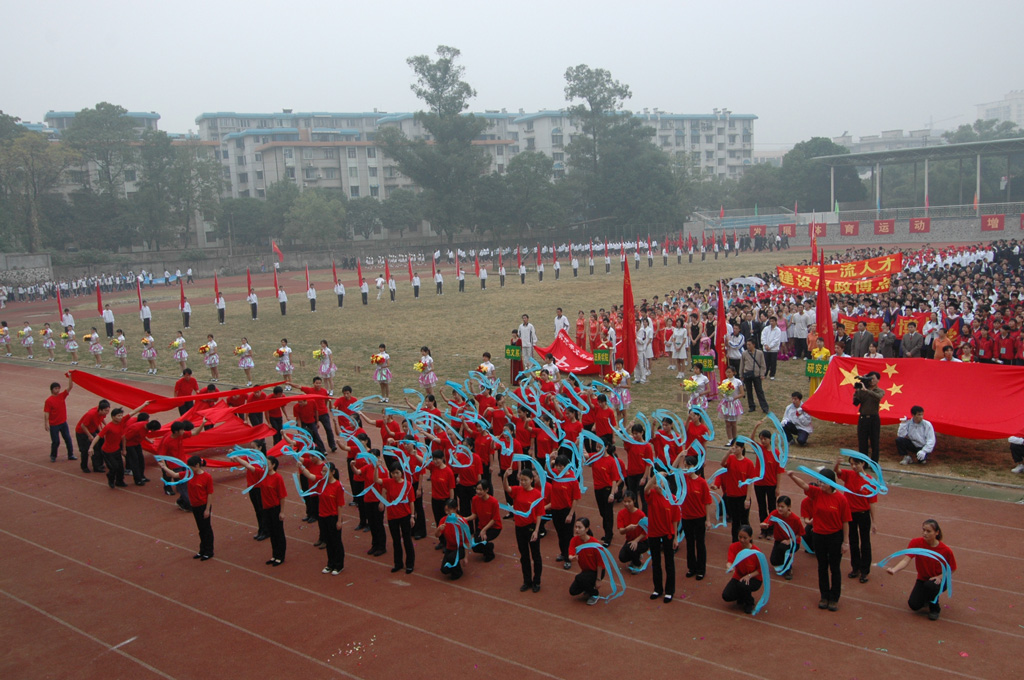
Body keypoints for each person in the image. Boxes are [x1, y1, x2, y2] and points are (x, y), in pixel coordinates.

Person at [785, 468, 851, 611]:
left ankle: (834, 598)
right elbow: (804, 485)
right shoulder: (817, 493)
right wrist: (792, 476)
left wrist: (845, 542)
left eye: (823, 482)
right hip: (819, 536)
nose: (820, 485)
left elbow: (846, 521)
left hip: (835, 537)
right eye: (819, 482)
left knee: (834, 568)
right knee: (822, 567)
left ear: (830, 483)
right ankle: (824, 596)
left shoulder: (841, 499)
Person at [885, 519, 957, 621]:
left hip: (940, 580)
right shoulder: (916, 543)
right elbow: (906, 560)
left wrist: (939, 577)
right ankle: (927, 598)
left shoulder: (945, 550)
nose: (925, 533)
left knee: (931, 585)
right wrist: (894, 570)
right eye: (923, 530)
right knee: (914, 605)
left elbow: (952, 569)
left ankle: (935, 608)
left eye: (928, 531)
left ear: (937, 533)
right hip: (923, 579)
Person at [158, 455, 215, 560]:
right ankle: (202, 550)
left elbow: (210, 494)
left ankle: (209, 550)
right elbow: (175, 475)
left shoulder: (207, 477)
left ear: (197, 465)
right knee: (200, 529)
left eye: (191, 467)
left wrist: (207, 509)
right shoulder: (189, 474)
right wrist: (164, 467)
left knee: (206, 528)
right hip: (195, 505)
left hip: (203, 505)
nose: (189, 469)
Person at [834, 455, 878, 583]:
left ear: (862, 464)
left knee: (865, 542)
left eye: (856, 464)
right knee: (853, 541)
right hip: (850, 514)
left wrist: (874, 521)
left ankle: (865, 571)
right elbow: (837, 472)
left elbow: (872, 502)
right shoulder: (849, 474)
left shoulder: (870, 481)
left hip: (863, 514)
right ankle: (855, 568)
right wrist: (837, 464)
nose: (853, 467)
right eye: (851, 464)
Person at [298, 459, 346, 574]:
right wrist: (301, 466)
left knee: (336, 541)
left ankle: (339, 565)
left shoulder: (338, 485)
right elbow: (309, 475)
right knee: (328, 541)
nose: (323, 474)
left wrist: (339, 521)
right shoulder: (321, 481)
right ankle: (330, 563)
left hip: (333, 516)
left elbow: (340, 505)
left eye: (325, 471)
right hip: (322, 516)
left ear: (332, 472)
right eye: (322, 471)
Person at [503, 466, 544, 593]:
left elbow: (539, 514)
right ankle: (527, 581)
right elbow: (507, 488)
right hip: (519, 527)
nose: (523, 482)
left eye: (525, 480)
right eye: (521, 480)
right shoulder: (517, 490)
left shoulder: (537, 494)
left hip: (531, 527)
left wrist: (537, 530)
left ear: (531, 480)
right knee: (524, 555)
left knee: (535, 555)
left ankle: (536, 581)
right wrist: (505, 477)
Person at [644, 472, 680, 603]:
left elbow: (675, 519)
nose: (658, 486)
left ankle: (669, 591)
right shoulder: (651, 495)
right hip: (653, 534)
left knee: (669, 563)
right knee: (656, 562)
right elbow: (645, 488)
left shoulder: (672, 498)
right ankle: (657, 588)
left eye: (661, 483)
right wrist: (655, 476)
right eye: (656, 483)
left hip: (667, 534)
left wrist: (675, 538)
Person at [378, 462, 416, 574]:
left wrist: (412, 516)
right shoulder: (388, 483)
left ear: (401, 473)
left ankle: (410, 564)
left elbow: (411, 502)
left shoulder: (408, 485)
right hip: (392, 517)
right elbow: (377, 480)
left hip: (405, 516)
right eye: (393, 473)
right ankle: (398, 563)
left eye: (397, 473)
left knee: (407, 540)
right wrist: (376, 468)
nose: (395, 475)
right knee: (396, 541)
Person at [677, 457, 711, 579]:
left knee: (700, 544)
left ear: (695, 467)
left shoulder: (702, 483)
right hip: (686, 517)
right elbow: (674, 469)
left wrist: (708, 520)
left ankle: (701, 569)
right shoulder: (683, 479)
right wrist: (680, 455)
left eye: (689, 466)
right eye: (685, 466)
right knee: (689, 543)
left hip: (699, 518)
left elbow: (707, 501)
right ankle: (692, 567)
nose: (686, 468)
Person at [759, 495, 803, 580]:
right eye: (778, 506)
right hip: (779, 541)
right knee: (774, 561)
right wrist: (764, 525)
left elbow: (800, 533)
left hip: (793, 542)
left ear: (789, 507)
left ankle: (788, 569)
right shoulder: (775, 514)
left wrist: (789, 541)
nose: (780, 509)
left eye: (782, 507)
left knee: (783, 548)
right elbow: (767, 522)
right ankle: (784, 562)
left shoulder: (795, 519)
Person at [722, 525, 762, 615]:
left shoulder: (756, 552)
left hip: (754, 578)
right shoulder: (733, 547)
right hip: (739, 575)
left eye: (745, 538)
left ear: (750, 537)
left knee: (743, 585)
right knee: (727, 595)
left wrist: (749, 576)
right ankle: (743, 595)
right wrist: (729, 566)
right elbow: (730, 561)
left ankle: (749, 602)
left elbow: (760, 569)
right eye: (740, 537)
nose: (742, 540)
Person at [568, 517, 604, 606]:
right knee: (573, 591)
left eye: (580, 527)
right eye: (576, 527)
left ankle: (594, 594)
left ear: (587, 529)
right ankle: (588, 587)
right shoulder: (574, 540)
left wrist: (598, 579)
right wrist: (571, 558)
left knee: (580, 578)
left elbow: (600, 564)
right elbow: (571, 553)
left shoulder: (595, 544)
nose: (577, 530)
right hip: (586, 571)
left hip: (596, 571)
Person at [467, 480, 502, 562]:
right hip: (482, 526)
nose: (478, 492)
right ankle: (489, 546)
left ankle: (489, 553)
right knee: (475, 546)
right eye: (477, 489)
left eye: (481, 490)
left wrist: (484, 530)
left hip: (494, 527)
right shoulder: (475, 499)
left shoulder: (493, 502)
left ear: (486, 490)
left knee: (482, 540)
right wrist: (465, 519)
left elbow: (494, 519)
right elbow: (474, 515)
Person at [853, 372, 884, 463]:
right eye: (870, 378)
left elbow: (878, 397)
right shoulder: (863, 390)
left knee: (874, 442)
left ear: (878, 380)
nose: (871, 380)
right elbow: (856, 402)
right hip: (863, 418)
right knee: (862, 442)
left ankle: (874, 463)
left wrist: (867, 391)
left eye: (873, 378)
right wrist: (858, 391)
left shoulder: (880, 391)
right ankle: (863, 463)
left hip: (874, 419)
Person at [43, 377, 76, 462]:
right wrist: (46, 423)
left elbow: (70, 386)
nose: (57, 390)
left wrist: (71, 377)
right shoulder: (49, 401)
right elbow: (46, 412)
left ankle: (70, 454)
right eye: (55, 388)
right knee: (56, 441)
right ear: (52, 390)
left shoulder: (62, 396)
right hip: (54, 424)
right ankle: (53, 456)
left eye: (58, 388)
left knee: (68, 439)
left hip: (63, 423)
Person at [616, 490, 648, 573]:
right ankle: (636, 555)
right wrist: (627, 528)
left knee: (630, 548)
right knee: (622, 557)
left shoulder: (641, 514)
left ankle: (637, 564)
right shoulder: (621, 513)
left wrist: (636, 541)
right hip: (630, 539)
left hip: (643, 541)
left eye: (629, 501)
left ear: (634, 501)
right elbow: (621, 531)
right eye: (625, 501)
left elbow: (646, 531)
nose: (626, 504)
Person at [75, 399, 110, 473]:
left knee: (96, 448)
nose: (107, 413)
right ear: (100, 409)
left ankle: (97, 466)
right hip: (82, 432)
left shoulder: (102, 414)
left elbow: (99, 420)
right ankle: (84, 466)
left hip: (92, 430)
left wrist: (104, 427)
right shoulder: (91, 414)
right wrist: (89, 435)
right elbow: (83, 426)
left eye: (108, 410)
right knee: (85, 450)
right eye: (106, 411)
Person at [436, 499, 468, 580]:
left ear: (455, 509)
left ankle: (458, 572)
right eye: (446, 511)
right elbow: (437, 535)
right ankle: (455, 565)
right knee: (444, 570)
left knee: (451, 558)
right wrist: (439, 529)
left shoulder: (462, 522)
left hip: (460, 547)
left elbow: (467, 540)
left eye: (449, 510)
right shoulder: (444, 520)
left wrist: (466, 557)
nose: (447, 513)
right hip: (450, 547)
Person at [739, 339, 770, 413]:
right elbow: (742, 365)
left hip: (756, 374)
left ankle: (764, 407)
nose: (748, 346)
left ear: (754, 345)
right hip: (747, 374)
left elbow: (763, 365)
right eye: (747, 345)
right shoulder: (744, 353)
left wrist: (762, 374)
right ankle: (751, 406)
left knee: (759, 391)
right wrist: (741, 374)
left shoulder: (759, 353)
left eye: (749, 344)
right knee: (749, 391)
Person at [717, 365, 745, 444]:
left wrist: (734, 398)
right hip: (726, 403)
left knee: (733, 423)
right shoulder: (724, 381)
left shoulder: (738, 382)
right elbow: (722, 392)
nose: (728, 374)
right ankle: (729, 439)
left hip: (734, 403)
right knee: (727, 423)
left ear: (734, 373)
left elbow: (742, 393)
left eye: (730, 372)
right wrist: (725, 395)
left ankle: (734, 439)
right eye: (727, 372)